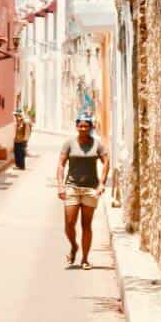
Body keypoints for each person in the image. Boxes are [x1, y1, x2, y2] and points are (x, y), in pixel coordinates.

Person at [56, 114, 110, 269]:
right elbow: (61, 164)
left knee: (86, 225)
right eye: (81, 126)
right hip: (72, 187)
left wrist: (101, 184)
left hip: (90, 189)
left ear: (91, 127)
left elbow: (106, 162)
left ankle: (85, 259)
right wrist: (60, 185)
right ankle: (74, 246)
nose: (83, 129)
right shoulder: (69, 144)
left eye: (86, 126)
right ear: (77, 127)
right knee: (69, 224)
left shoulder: (97, 145)